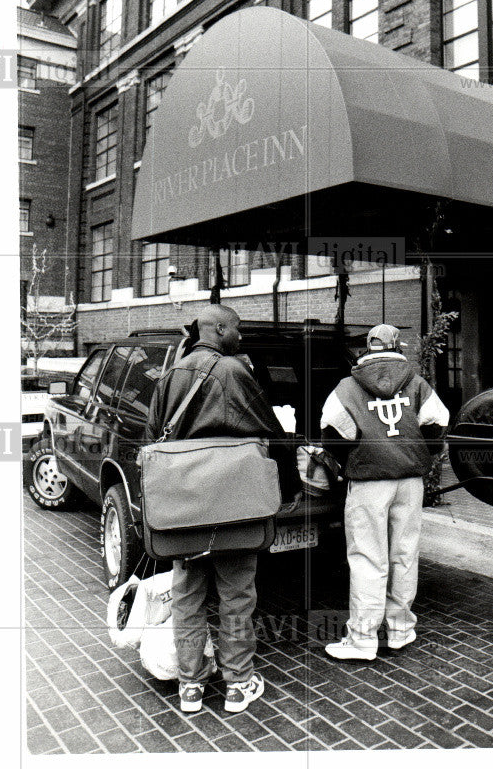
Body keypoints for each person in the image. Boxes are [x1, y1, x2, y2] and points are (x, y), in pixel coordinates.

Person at [145, 304, 284, 713]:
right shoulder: (234, 371)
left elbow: (153, 438)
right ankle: (238, 684)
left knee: (188, 594)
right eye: (237, 329)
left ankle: (190, 686)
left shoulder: (170, 374)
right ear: (219, 329)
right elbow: (267, 433)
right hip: (233, 505)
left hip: (185, 509)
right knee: (236, 595)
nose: (240, 337)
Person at [320, 323, 449, 660]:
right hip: (409, 481)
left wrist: (354, 459)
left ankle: (363, 639)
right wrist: (417, 453)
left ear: (368, 347)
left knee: (367, 558)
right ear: (397, 346)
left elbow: (332, 435)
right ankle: (400, 630)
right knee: (404, 555)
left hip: (368, 482)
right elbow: (437, 428)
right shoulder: (418, 383)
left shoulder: (348, 386)